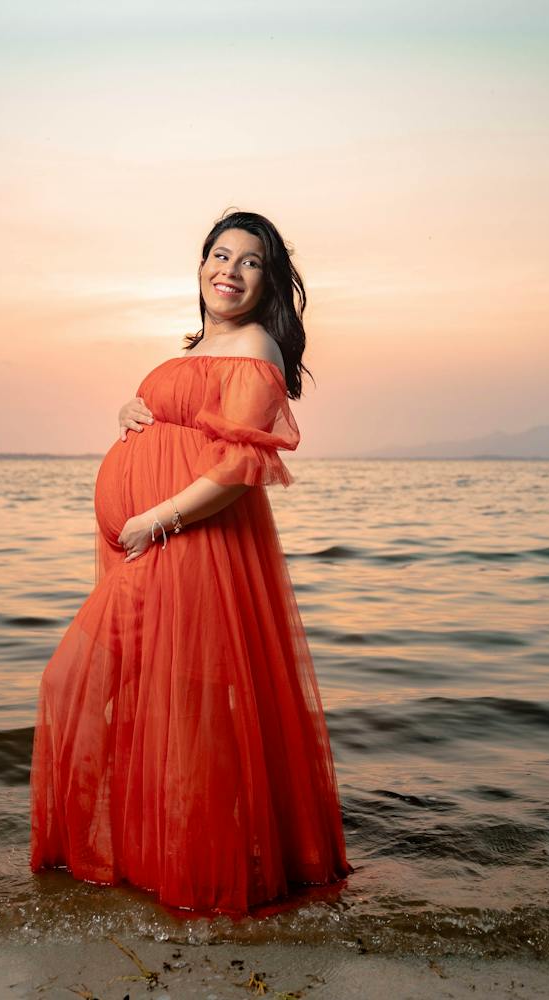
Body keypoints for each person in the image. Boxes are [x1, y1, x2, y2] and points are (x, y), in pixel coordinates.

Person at [29, 209, 355, 917]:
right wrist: (129, 411)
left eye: (249, 262)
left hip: (190, 547)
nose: (228, 271)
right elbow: (173, 419)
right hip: (151, 546)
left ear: (268, 282)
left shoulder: (258, 347)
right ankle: (169, 864)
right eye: (219, 254)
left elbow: (240, 466)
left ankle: (203, 879)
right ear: (200, 264)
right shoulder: (198, 347)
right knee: (165, 705)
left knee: (142, 698)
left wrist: (155, 517)